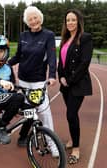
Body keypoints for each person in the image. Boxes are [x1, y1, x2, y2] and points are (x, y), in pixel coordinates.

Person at [8, 6, 58, 157]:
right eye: (30, 19)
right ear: (27, 22)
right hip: (23, 81)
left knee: (44, 114)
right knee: (28, 112)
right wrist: (3, 64)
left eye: (35, 17)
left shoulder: (48, 35)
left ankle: (52, 144)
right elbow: (18, 56)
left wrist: (52, 75)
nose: (33, 21)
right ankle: (24, 137)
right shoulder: (23, 35)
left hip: (38, 82)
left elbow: (51, 57)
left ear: (40, 18)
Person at [57, 9, 93, 164]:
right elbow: (61, 62)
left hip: (78, 84)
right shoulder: (65, 39)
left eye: (73, 19)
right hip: (66, 84)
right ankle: (73, 139)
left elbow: (84, 63)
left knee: (71, 115)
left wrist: (70, 80)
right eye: (68, 20)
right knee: (71, 114)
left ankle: (76, 148)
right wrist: (61, 77)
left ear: (79, 21)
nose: (70, 22)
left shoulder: (85, 38)